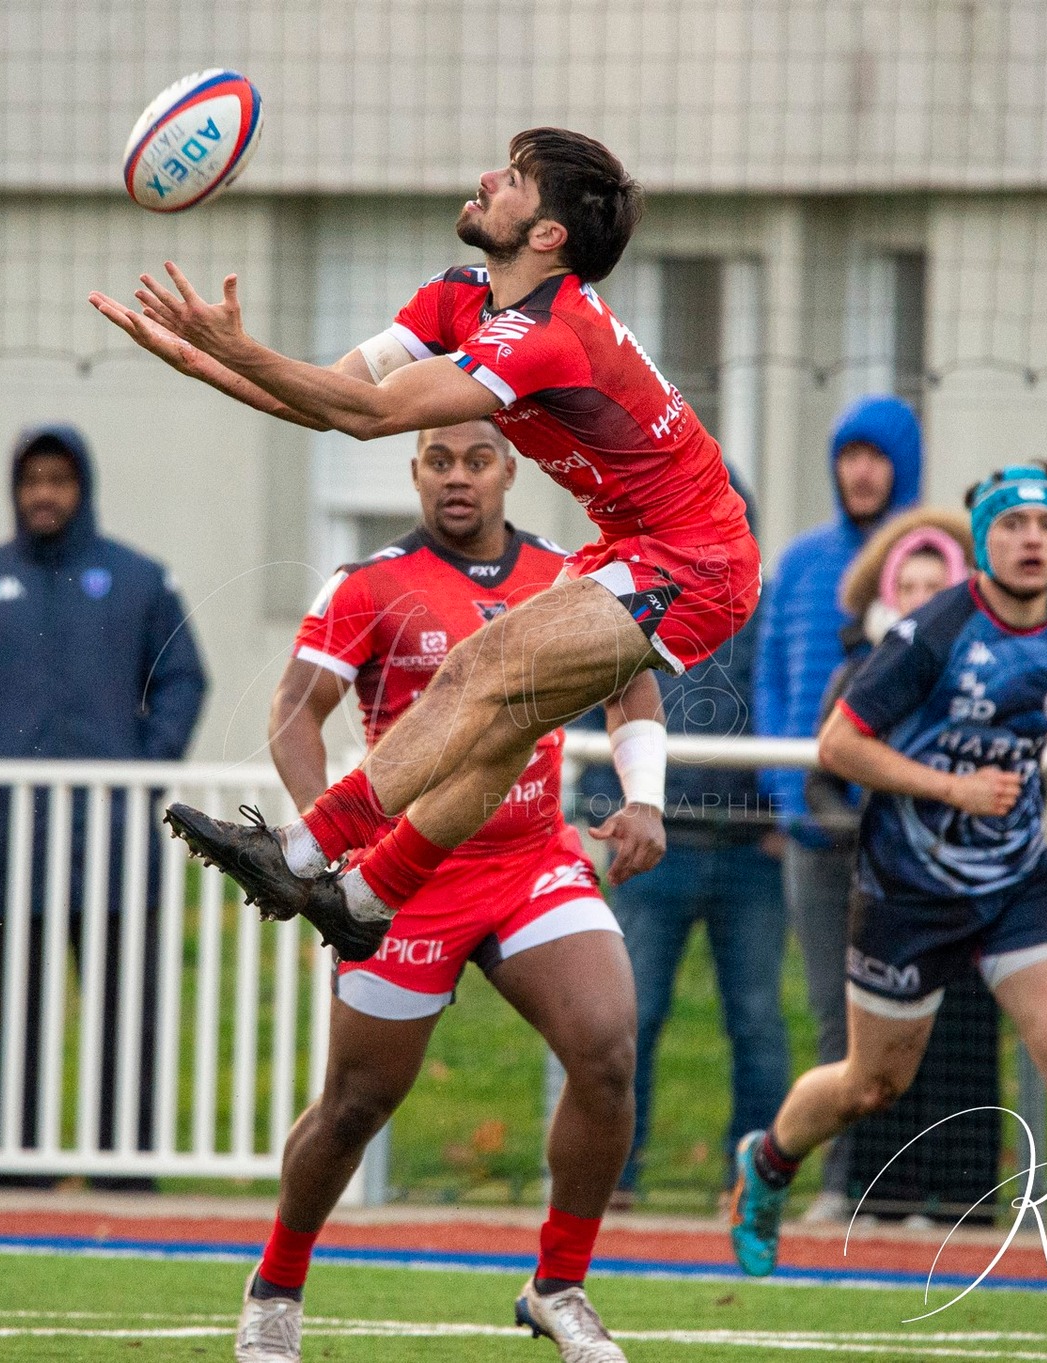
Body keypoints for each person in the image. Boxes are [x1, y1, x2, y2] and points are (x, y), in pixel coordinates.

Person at [90, 127, 759, 975]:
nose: (486, 178)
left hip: (698, 562)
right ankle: (367, 902)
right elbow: (334, 399)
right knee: (502, 727)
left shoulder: (549, 334)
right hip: (636, 545)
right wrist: (203, 360)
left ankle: (302, 853)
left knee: (482, 666)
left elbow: (366, 416)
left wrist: (237, 349)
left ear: (548, 234)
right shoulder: (458, 297)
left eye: (512, 179)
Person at [239, 418, 663, 1362]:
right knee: (354, 1104)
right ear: (414, 470)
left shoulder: (569, 574)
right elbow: (295, 713)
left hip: (528, 859)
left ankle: (560, 1284)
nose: (458, 478)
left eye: (477, 459)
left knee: (606, 1050)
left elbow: (632, 682)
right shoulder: (368, 584)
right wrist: (331, 847)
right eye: (439, 460)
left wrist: (645, 796)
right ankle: (275, 1286)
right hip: (406, 879)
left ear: (511, 468)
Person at [725, 463, 1047, 1338]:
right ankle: (769, 1161)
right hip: (905, 891)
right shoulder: (932, 633)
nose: (1033, 538)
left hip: (1016, 887)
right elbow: (838, 745)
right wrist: (949, 788)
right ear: (986, 540)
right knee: (871, 1084)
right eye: (1014, 525)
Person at [0, 424, 207, 1182]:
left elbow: (183, 678)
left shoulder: (141, 581)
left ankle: (124, 1171)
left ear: (82, 489)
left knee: (127, 1014)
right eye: (31, 480)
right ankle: (12, 1171)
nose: (44, 494)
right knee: (9, 1014)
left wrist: (147, 769)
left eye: (59, 479)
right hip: (13, 850)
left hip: (118, 849)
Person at [568, 466, 788, 1207]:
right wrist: (604, 804)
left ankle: (754, 1182)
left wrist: (785, 813)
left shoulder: (765, 606)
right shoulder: (617, 593)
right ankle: (611, 1176)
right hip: (649, 850)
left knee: (756, 1020)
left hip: (750, 849)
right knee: (629, 1014)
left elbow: (787, 703)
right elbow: (580, 698)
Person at [804, 509, 1002, 1223]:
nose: (920, 595)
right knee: (882, 1040)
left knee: (960, 1040)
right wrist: (861, 832)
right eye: (908, 583)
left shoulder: (985, 676)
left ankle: (962, 1197)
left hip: (968, 881)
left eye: (934, 583)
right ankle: (879, 1192)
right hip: (887, 886)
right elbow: (821, 778)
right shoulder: (863, 671)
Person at [753, 394, 922, 1220]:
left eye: (877, 455)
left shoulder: (928, 562)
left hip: (908, 833)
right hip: (817, 838)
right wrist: (792, 806)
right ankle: (837, 1187)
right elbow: (777, 690)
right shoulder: (800, 564)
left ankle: (919, 1189)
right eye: (849, 454)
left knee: (909, 1016)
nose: (861, 471)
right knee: (833, 1013)